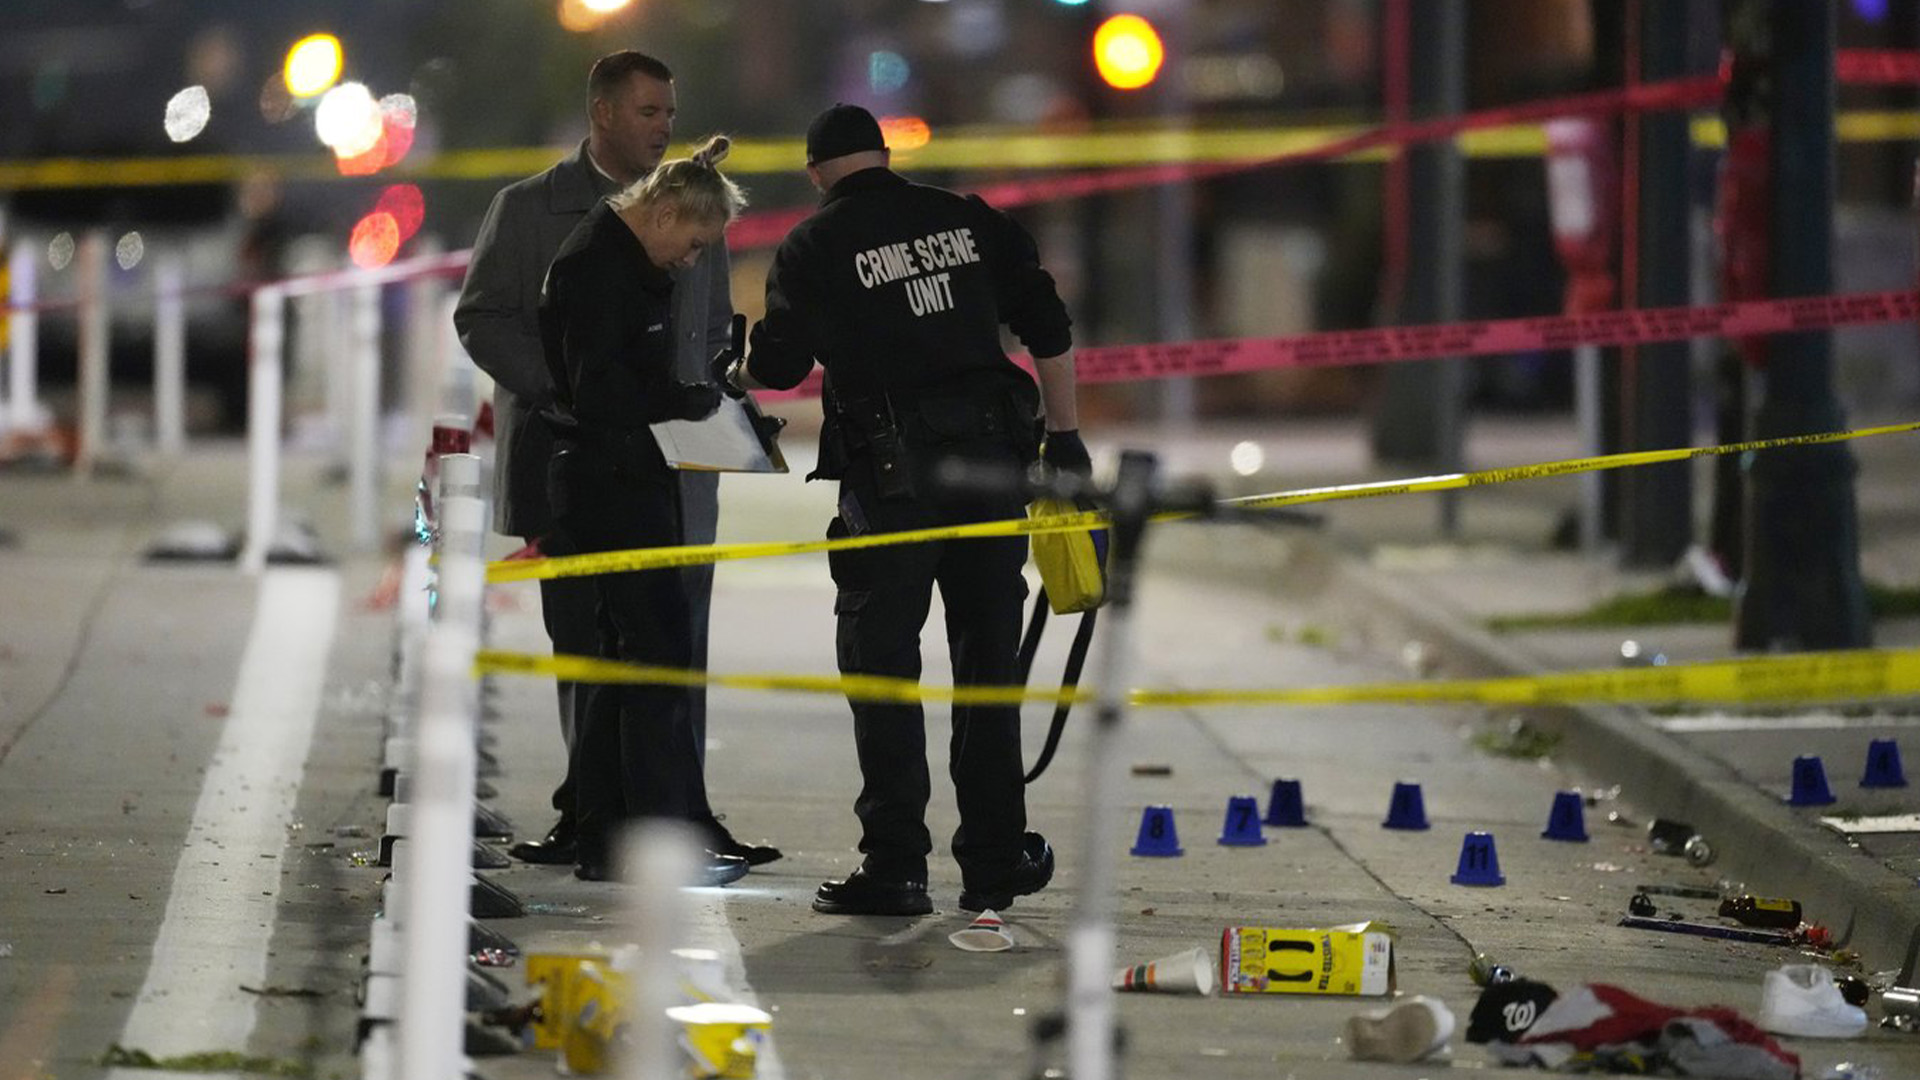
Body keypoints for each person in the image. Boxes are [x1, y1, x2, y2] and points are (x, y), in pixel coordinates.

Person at [724, 104, 1092, 916]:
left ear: (817, 171)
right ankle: (995, 863)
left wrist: (733, 372)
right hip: (995, 465)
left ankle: (896, 866)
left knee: (882, 667)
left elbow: (779, 367)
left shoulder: (813, 245)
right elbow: (1048, 326)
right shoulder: (965, 219)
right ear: (884, 155)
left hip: (891, 479)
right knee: (988, 666)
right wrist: (1064, 440)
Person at [455, 51, 777, 870]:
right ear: (603, 113)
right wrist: (562, 390)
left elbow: (705, 335)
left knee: (676, 644)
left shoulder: (686, 208)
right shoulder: (533, 210)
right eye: (648, 113)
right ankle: (593, 816)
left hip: (674, 466)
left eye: (670, 113)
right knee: (592, 647)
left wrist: (717, 403)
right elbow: (484, 319)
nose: (664, 126)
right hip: (581, 459)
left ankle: (678, 814)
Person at [539, 136, 749, 882]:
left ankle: (607, 837)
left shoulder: (619, 259)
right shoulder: (598, 268)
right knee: (655, 662)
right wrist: (689, 402)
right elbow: (604, 392)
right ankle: (652, 844)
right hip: (611, 484)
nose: (693, 261)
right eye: (692, 244)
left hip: (621, 478)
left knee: (621, 666)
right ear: (661, 213)